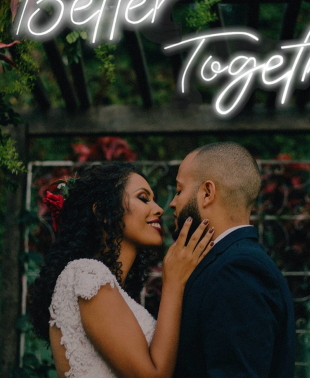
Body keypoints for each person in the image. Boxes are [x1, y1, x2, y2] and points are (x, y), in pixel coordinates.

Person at [29, 162, 215, 378]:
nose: (159, 208)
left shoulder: (107, 286)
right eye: (143, 198)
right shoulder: (87, 275)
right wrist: (173, 283)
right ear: (104, 212)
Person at [170, 142, 295, 377]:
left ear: (207, 193)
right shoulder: (228, 263)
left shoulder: (237, 270)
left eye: (179, 190)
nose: (173, 203)